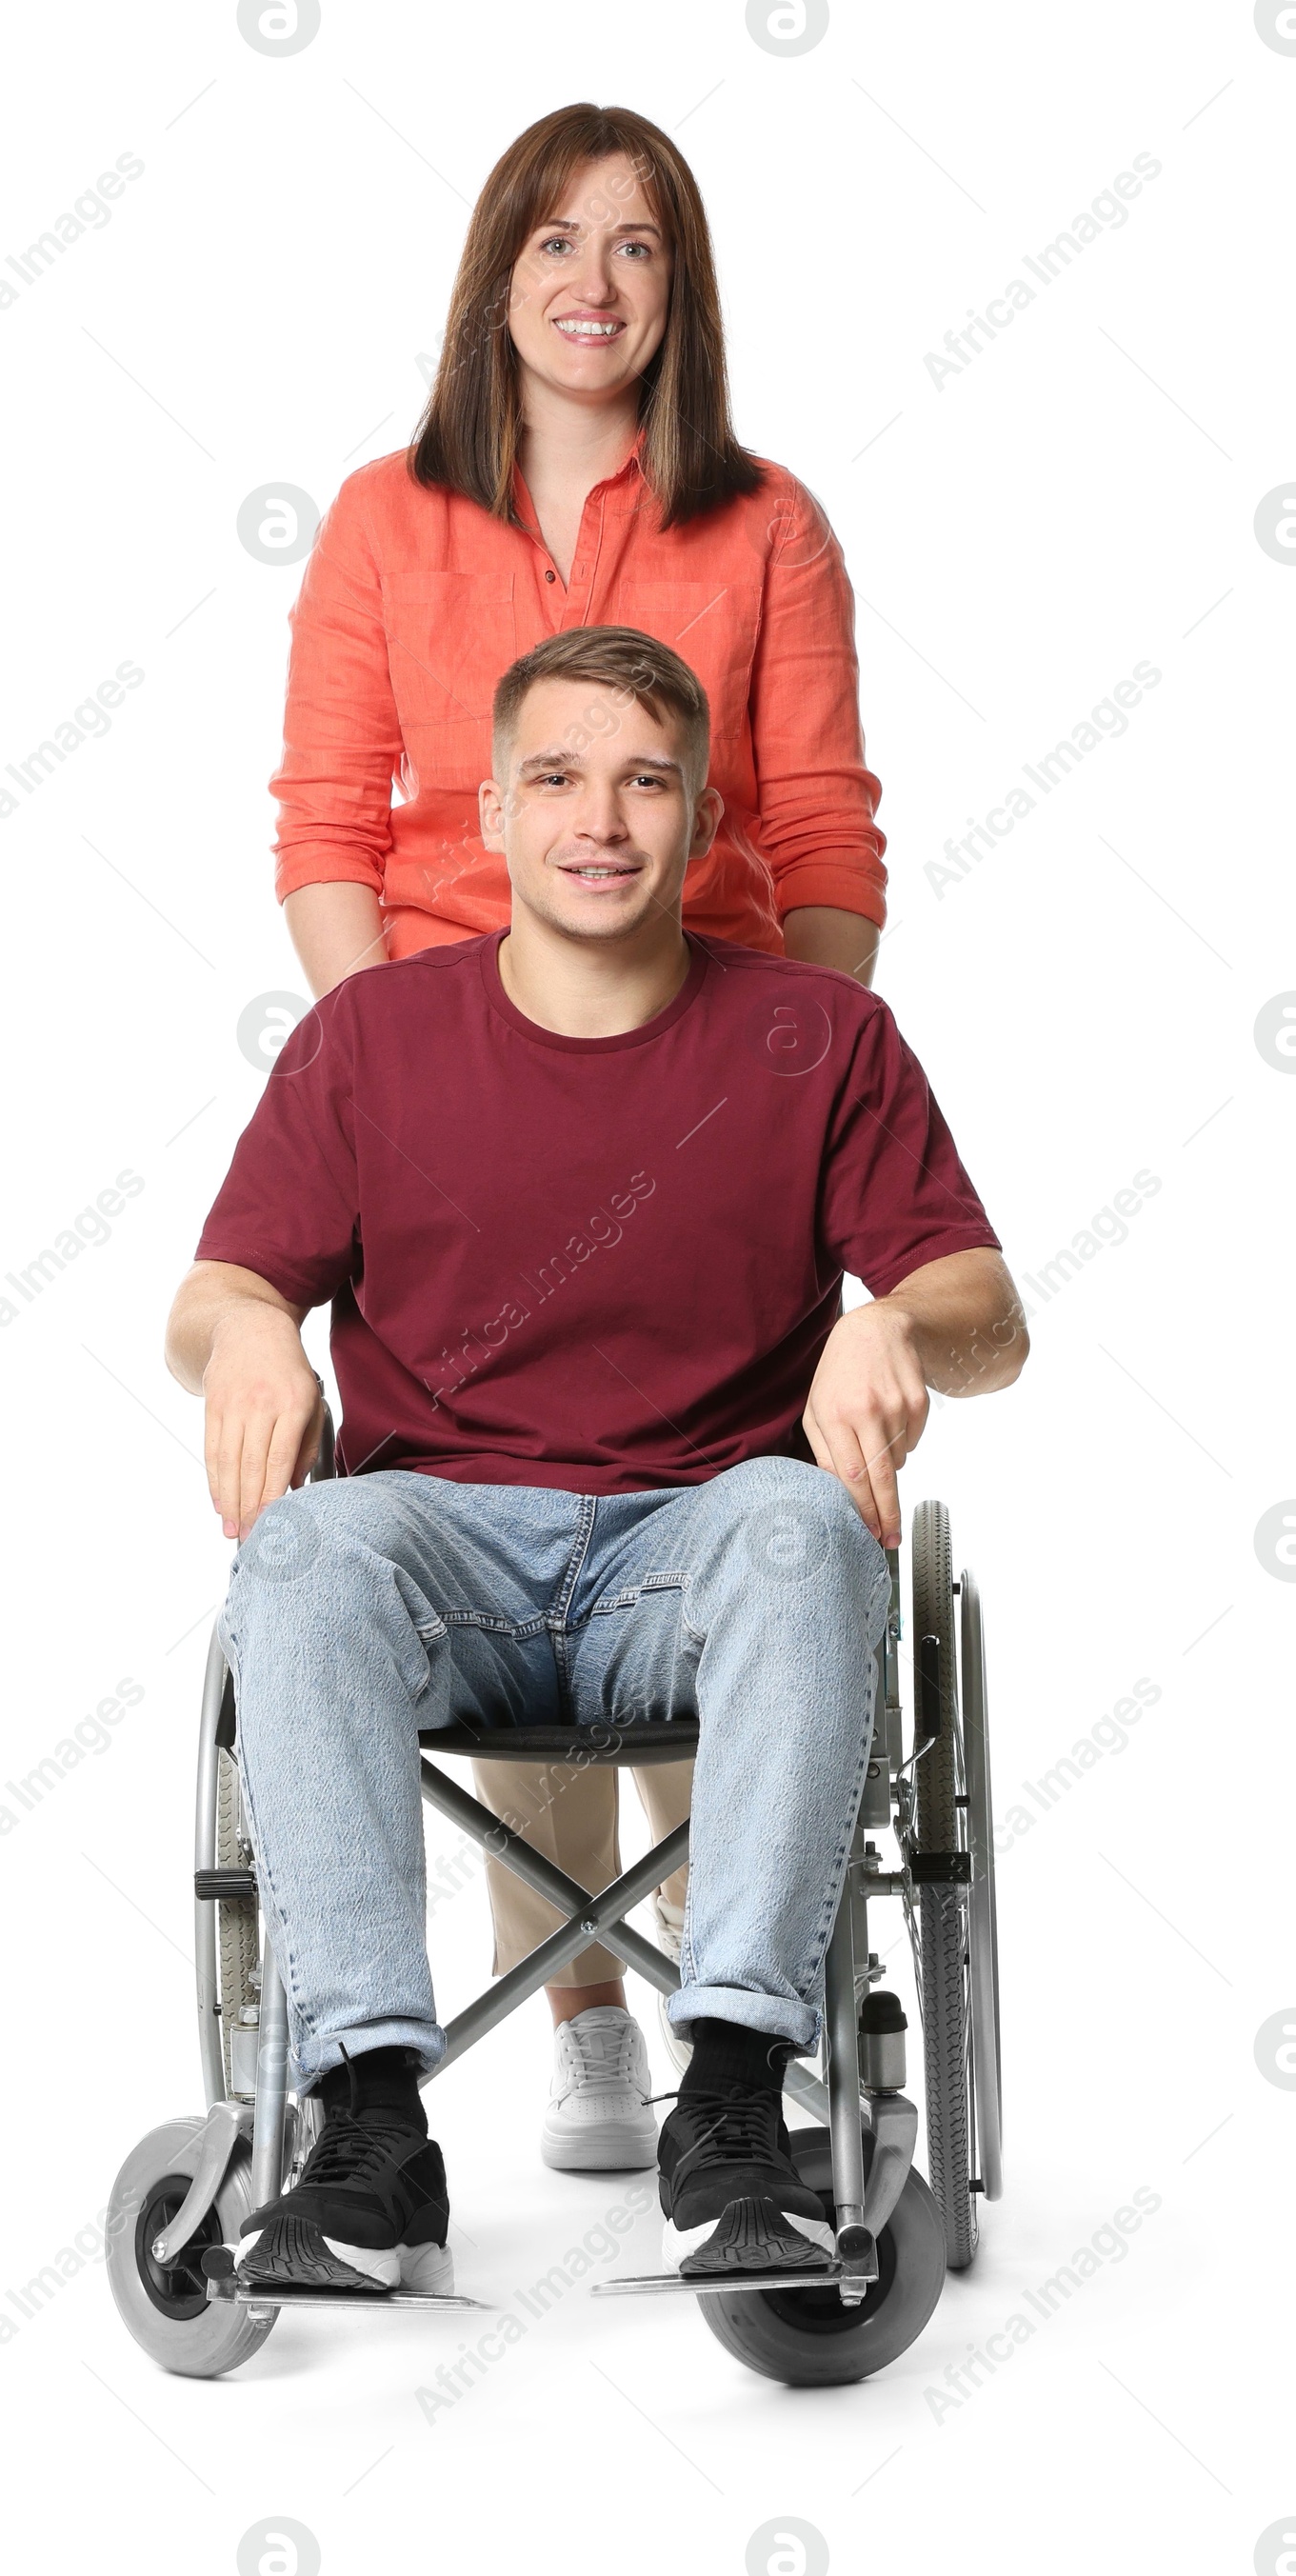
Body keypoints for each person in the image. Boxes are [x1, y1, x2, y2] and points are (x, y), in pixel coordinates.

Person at [166, 628, 1026, 2296]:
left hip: (697, 1543)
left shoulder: (815, 1039)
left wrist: (900, 1324)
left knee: (801, 1526)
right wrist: (251, 1327)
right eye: (557, 777)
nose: (600, 819)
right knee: (306, 1549)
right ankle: (364, 2114)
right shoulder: (370, 1042)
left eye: (644, 780)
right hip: (447, 1552)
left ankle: (726, 2096)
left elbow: (989, 1307)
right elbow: (214, 1293)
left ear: (704, 819)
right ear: (489, 810)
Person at [269, 99, 891, 2148]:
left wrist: (788, 1083)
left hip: (706, 1060)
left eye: (634, 247)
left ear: (677, 287)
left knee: (716, 1495)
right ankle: (579, 2010)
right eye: (553, 240)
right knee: (485, 1478)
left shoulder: (762, 523)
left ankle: (736, 1983)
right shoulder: (384, 520)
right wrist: (404, 1080)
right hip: (457, 1067)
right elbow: (327, 825)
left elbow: (815, 835)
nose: (590, 284)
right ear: (493, 274)